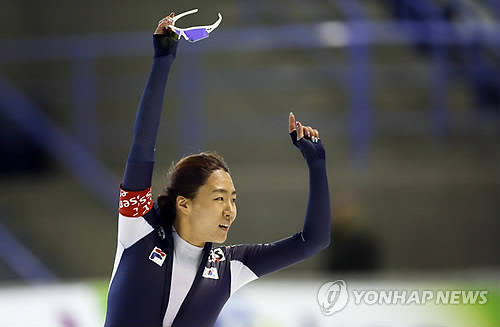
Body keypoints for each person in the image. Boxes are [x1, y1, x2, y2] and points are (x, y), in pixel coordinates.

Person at [104, 12, 331, 327]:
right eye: (219, 198)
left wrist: (316, 164)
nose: (230, 211)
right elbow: (142, 147)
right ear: (185, 202)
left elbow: (313, 242)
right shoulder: (139, 227)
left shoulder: (229, 266)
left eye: (233, 199)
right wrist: (163, 60)